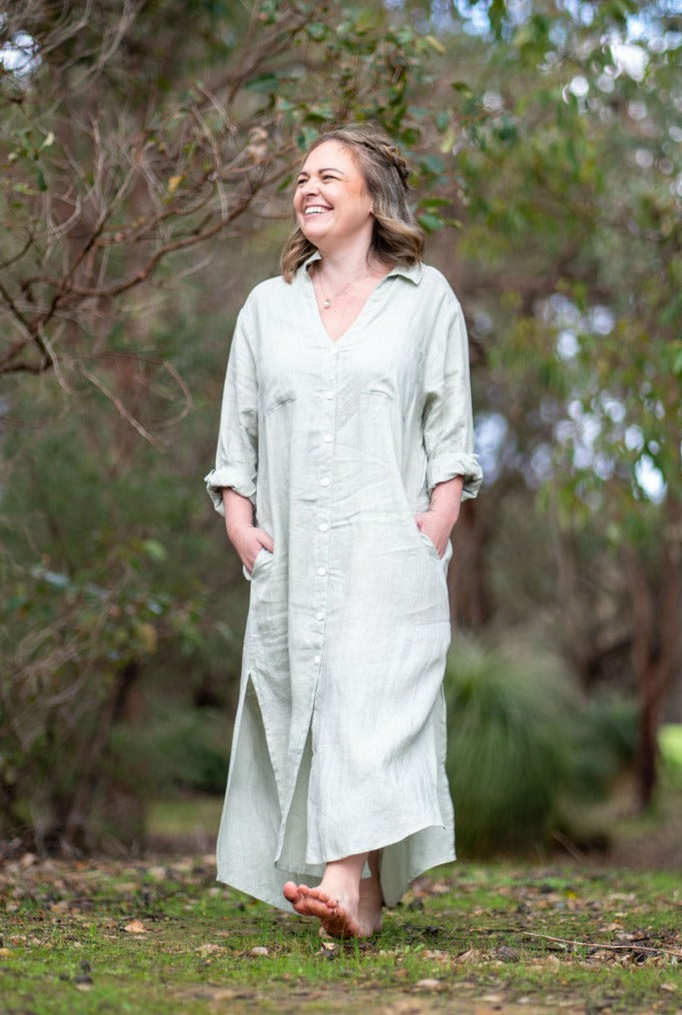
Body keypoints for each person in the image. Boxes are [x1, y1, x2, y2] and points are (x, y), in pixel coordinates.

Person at [205, 122, 482, 939]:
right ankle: (358, 898)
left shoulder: (425, 299)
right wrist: (238, 519)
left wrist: (437, 519)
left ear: (372, 197)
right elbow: (237, 430)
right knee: (313, 700)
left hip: (389, 543)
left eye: (328, 175)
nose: (308, 187)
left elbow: (449, 424)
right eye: (301, 177)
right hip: (293, 550)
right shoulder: (268, 307)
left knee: (369, 699)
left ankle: (337, 877)